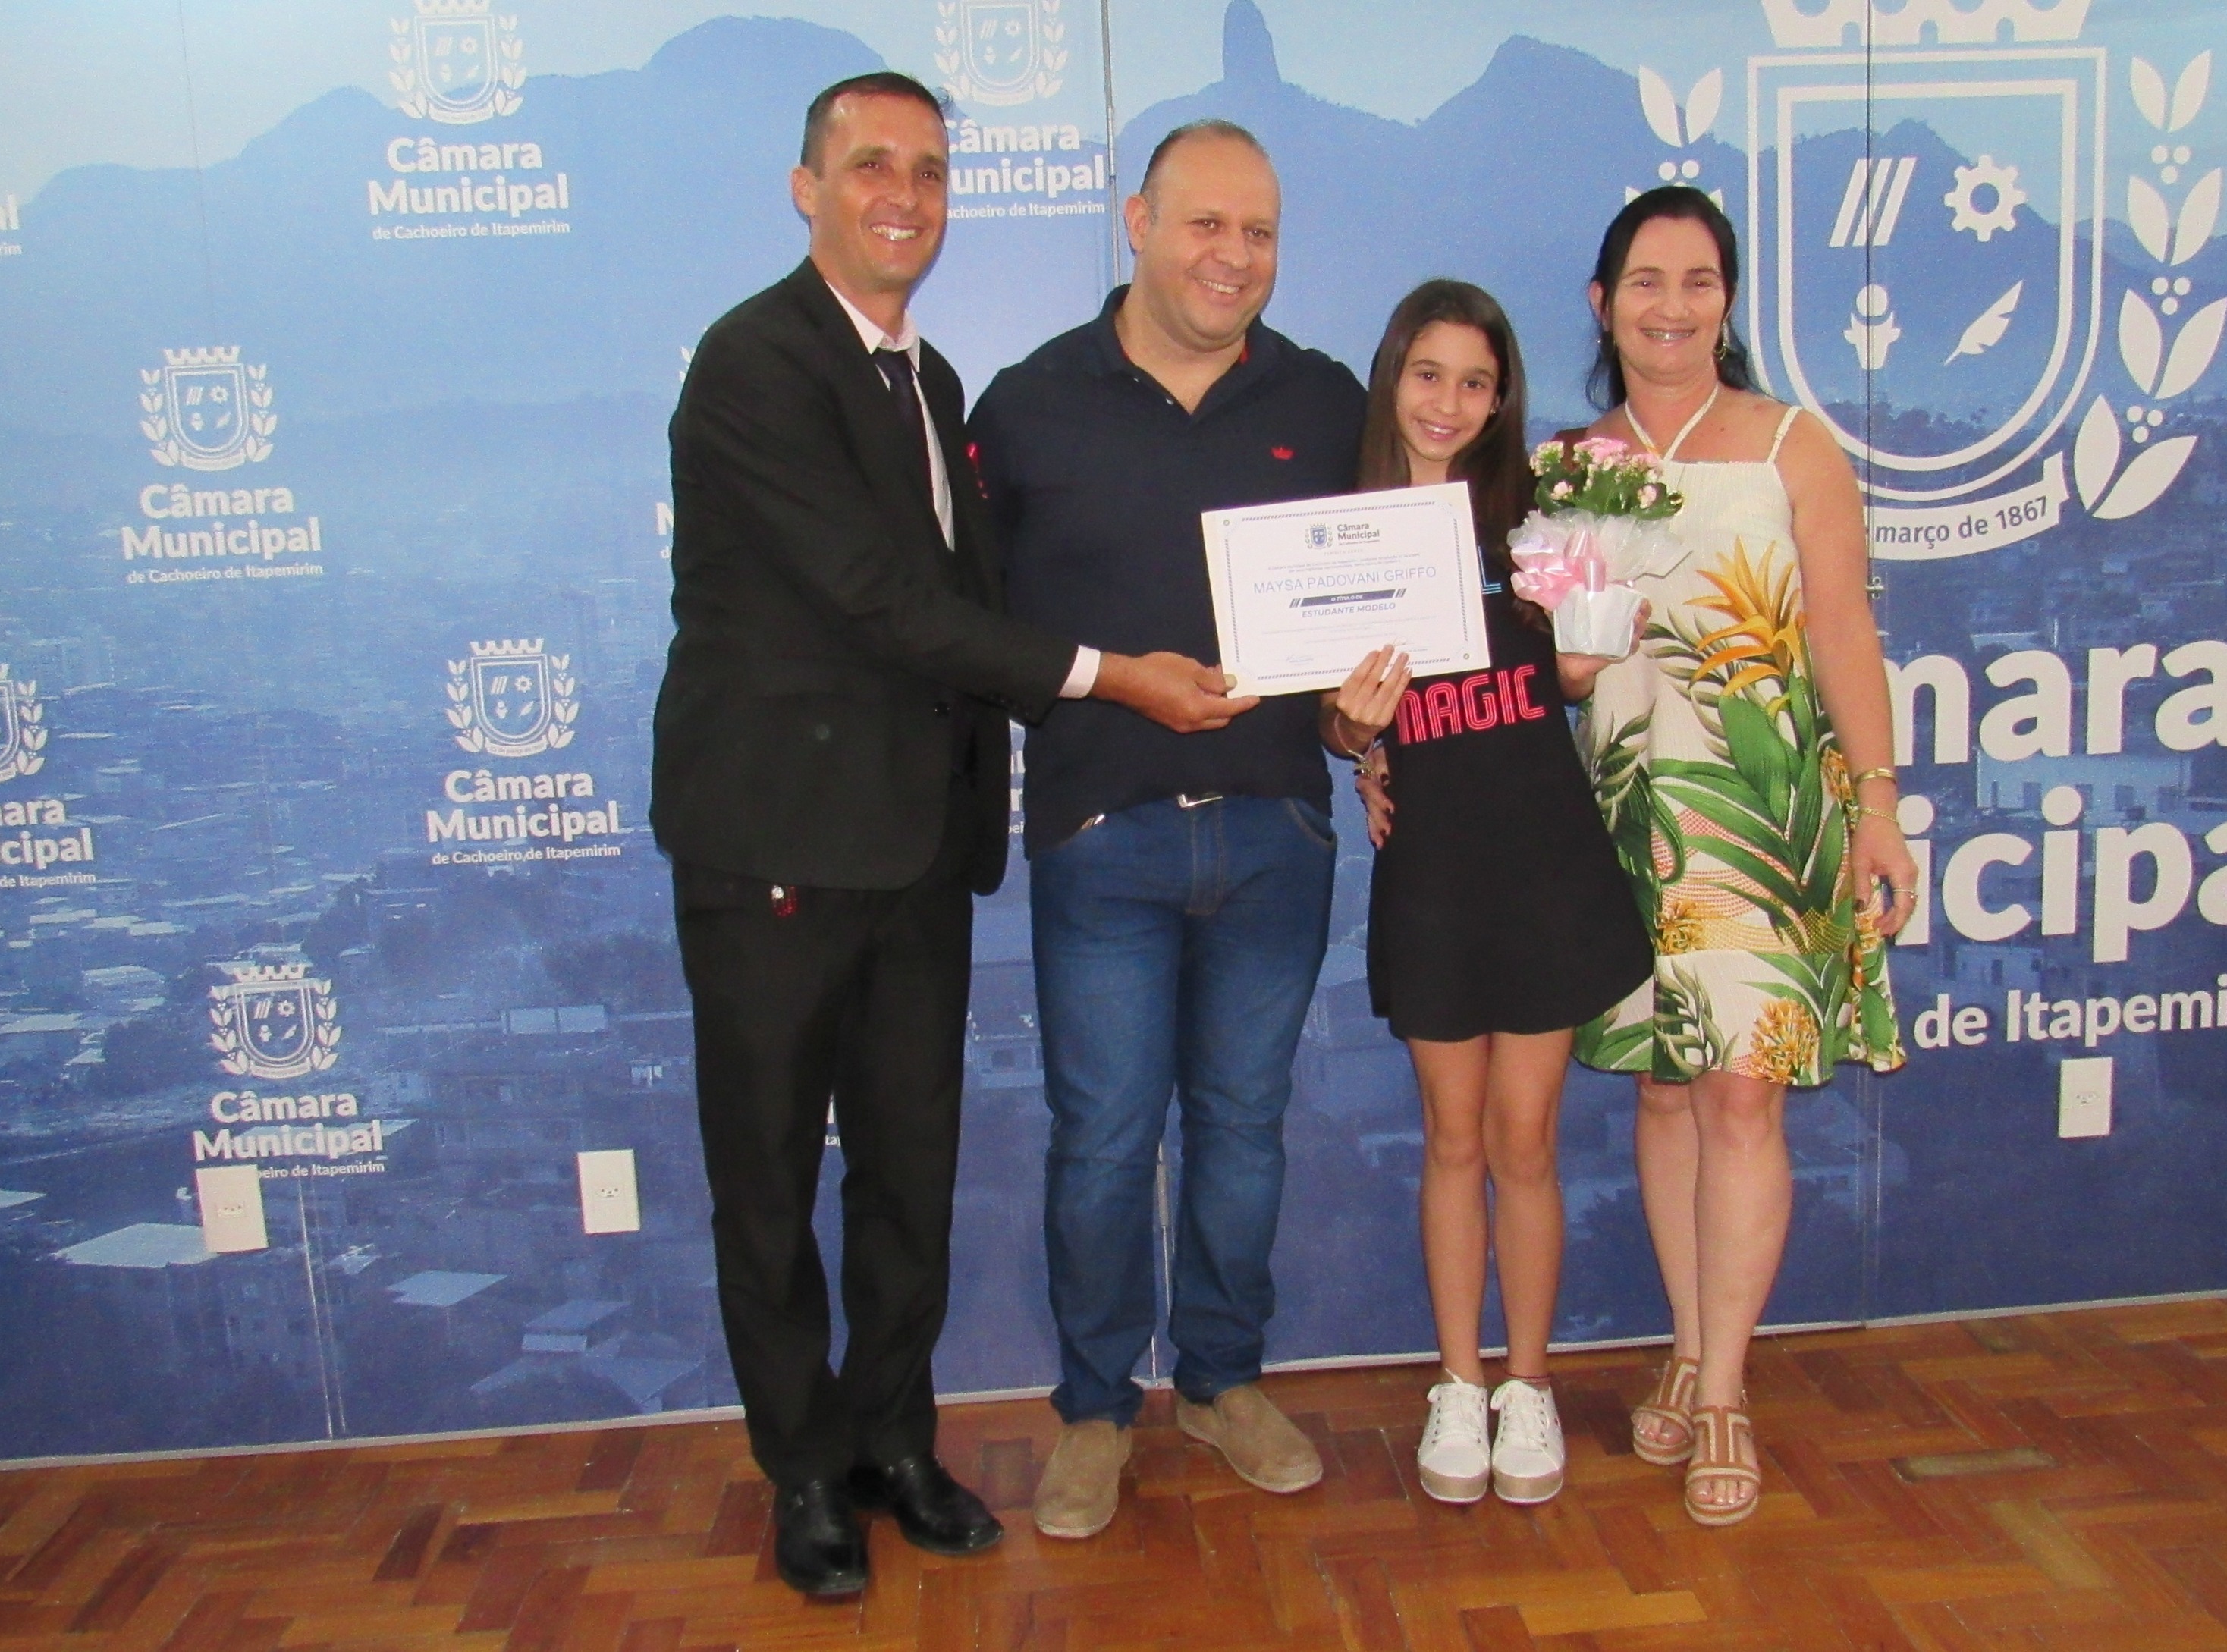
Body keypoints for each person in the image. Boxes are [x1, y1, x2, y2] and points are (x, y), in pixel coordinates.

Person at [655, 72, 1253, 1598]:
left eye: (928, 170)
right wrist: (1111, 675)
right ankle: (804, 1472)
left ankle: (892, 1443)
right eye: (871, 166)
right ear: (808, 188)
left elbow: (974, 602)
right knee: (768, 1181)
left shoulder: (927, 379)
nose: (904, 196)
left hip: (915, 849)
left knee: (908, 1172)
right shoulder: (754, 363)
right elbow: (882, 602)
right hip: (775, 848)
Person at [968, 120, 1368, 1541]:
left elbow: (1378, 603)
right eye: (1206, 224)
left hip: (1277, 831)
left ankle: (1221, 1380)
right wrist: (1114, 682)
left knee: (1245, 1132)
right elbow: (978, 627)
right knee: (1101, 1140)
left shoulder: (1327, 401)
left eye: (1258, 232)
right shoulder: (1027, 405)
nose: (1233, 256)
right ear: (1137, 221)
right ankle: (1094, 1408)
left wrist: (1366, 706)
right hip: (1101, 834)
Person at [1559, 187, 1914, 1526]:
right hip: (1624, 813)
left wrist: (1879, 803)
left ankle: (1722, 1390)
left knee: (1743, 1097)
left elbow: (1844, 631)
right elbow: (1546, 667)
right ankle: (1691, 1339)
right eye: (1646, 281)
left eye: (1699, 281)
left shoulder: (1791, 446)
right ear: (1603, 303)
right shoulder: (1566, 464)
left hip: (1768, 813)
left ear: (1728, 300)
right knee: (1666, 1093)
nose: (1672, 306)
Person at [1324, 281, 1654, 1506]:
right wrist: (1352, 738)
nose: (1448, 401)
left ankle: (1528, 1384)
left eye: (1475, 381)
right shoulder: (1345, 534)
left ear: (1501, 397)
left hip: (1544, 867)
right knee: (1452, 1139)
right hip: (1433, 876)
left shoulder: (1539, 525)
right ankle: (1457, 1383)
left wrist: (1589, 649)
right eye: (1429, 374)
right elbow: (1330, 713)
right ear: (1392, 379)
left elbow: (1567, 677)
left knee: (1526, 1140)